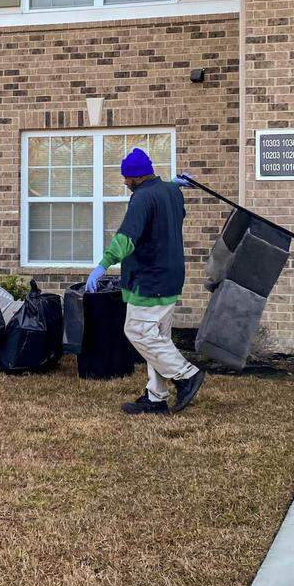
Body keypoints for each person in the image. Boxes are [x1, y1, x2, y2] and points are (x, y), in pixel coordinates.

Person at [86, 148, 205, 415]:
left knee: (138, 332)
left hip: (150, 279)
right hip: (172, 276)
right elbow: (165, 209)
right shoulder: (171, 192)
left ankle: (186, 375)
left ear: (134, 177)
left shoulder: (141, 198)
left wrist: (103, 265)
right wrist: (172, 184)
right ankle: (156, 398)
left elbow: (126, 239)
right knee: (158, 338)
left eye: (126, 178)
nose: (124, 182)